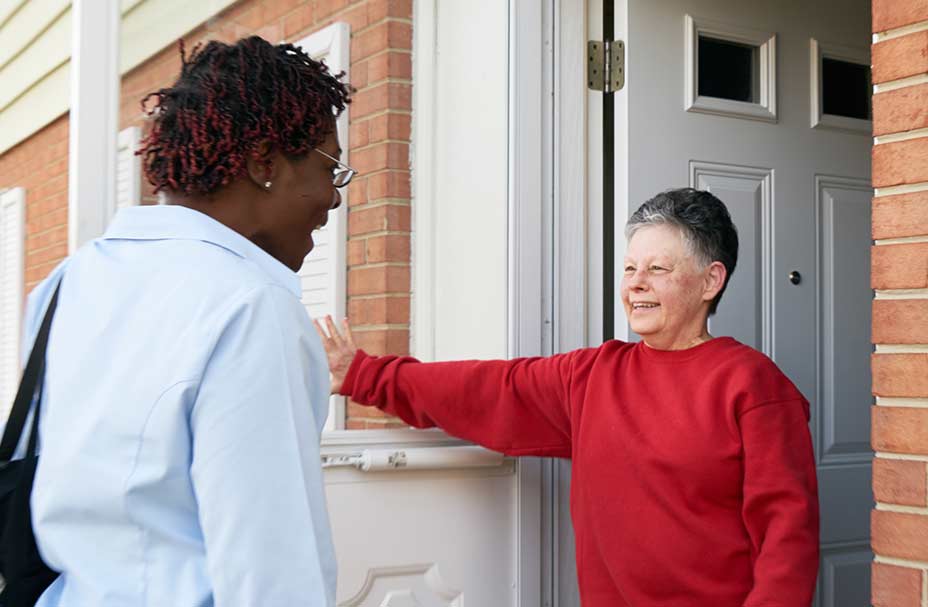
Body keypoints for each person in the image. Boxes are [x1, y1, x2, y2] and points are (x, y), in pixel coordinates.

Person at [316, 188, 820, 607]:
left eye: (657, 270)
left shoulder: (753, 387)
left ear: (711, 279)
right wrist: (363, 374)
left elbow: (787, 543)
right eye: (629, 269)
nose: (636, 284)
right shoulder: (593, 376)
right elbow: (486, 389)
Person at [22, 36, 353, 606]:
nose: (334, 198)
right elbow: (271, 578)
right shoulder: (251, 308)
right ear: (264, 162)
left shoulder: (64, 285)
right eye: (330, 168)